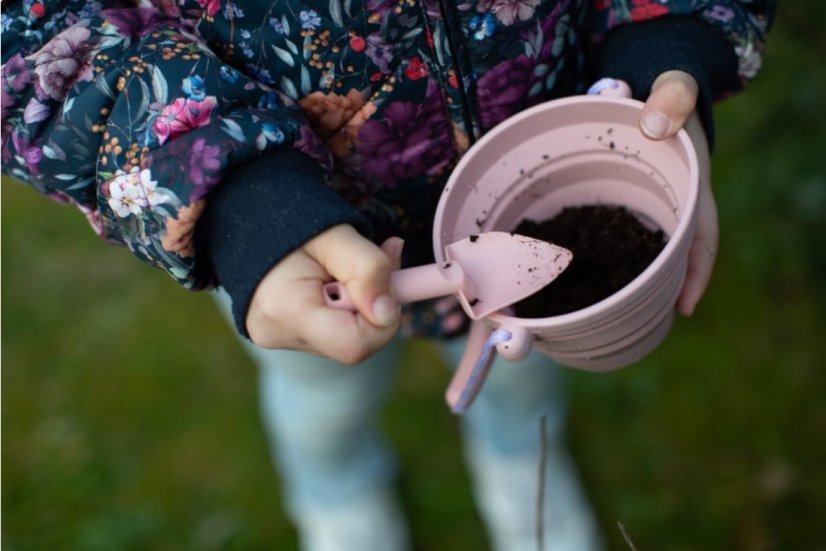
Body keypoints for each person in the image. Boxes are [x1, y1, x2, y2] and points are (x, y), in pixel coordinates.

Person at [2, 0, 774, 549]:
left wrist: (665, 41)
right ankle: (337, 491)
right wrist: (241, 202)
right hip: (297, 238)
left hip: (537, 169)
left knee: (520, 377)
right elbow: (34, 35)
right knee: (321, 397)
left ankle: (519, 467)